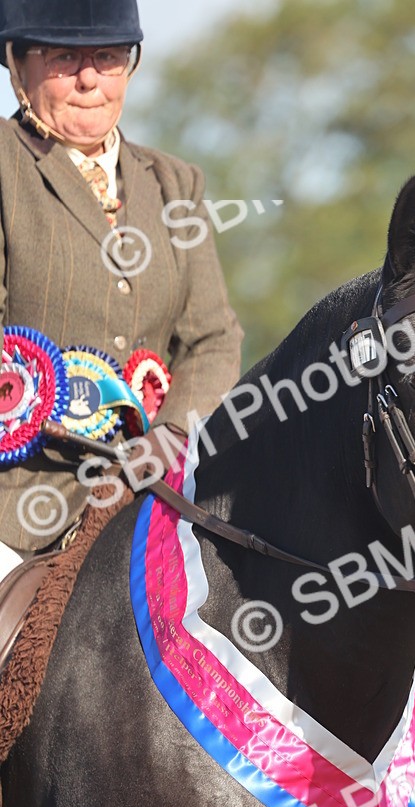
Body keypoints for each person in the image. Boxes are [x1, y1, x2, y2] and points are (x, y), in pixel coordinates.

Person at [0, 0, 243, 572]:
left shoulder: (176, 183)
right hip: (18, 503)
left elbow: (213, 337)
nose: (89, 79)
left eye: (107, 58)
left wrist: (170, 435)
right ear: (17, 63)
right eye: (64, 58)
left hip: (152, 495)